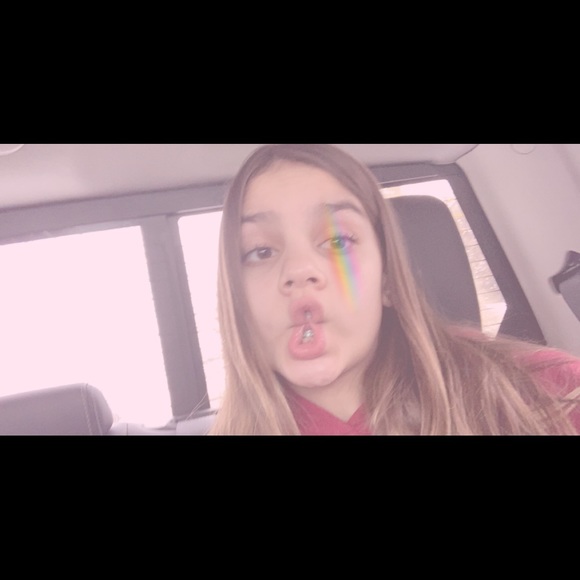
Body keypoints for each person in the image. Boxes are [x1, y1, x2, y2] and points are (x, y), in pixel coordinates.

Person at [209, 144, 580, 435]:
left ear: (386, 279)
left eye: (338, 241)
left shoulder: (549, 394)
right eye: (260, 251)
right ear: (236, 301)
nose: (298, 270)